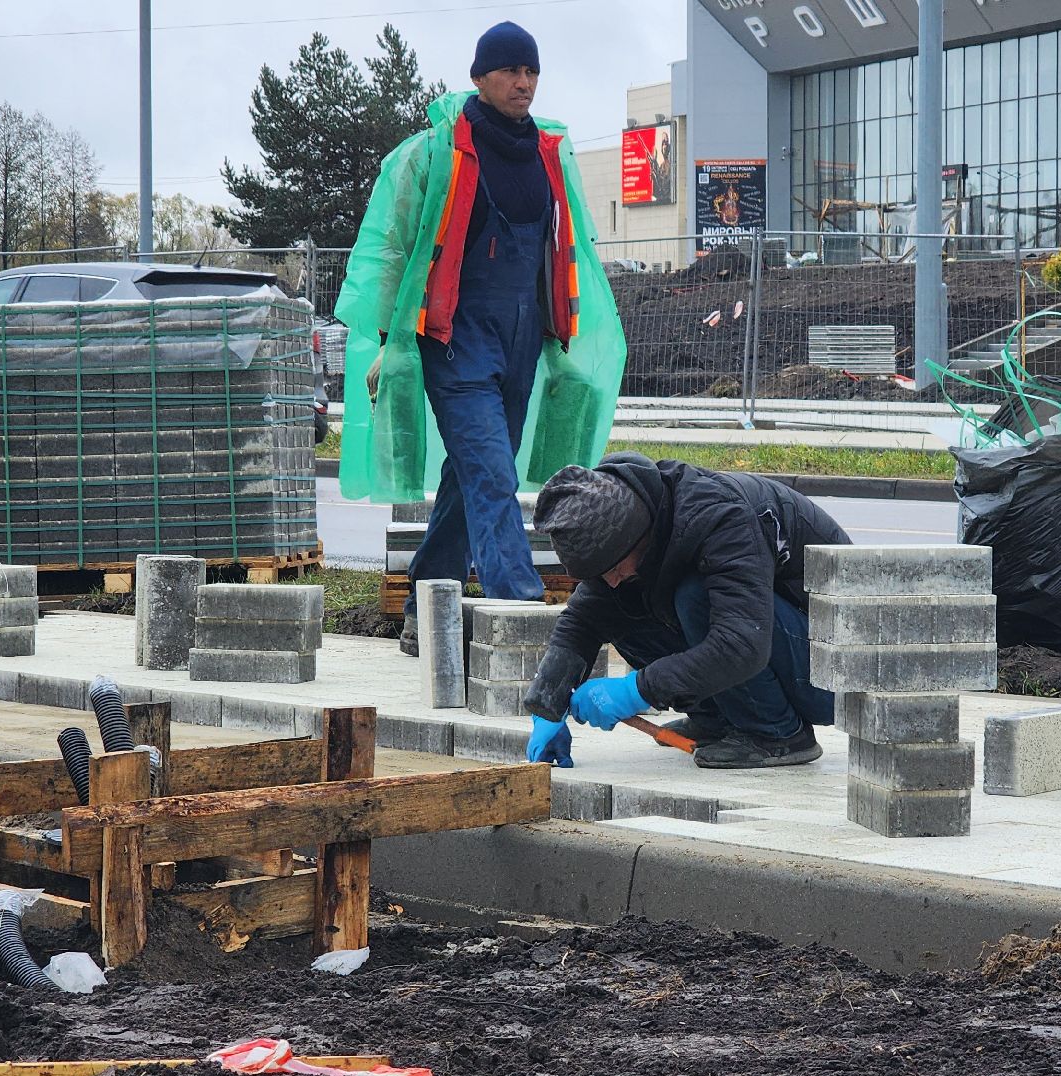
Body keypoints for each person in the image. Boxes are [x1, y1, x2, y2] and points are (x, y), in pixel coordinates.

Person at [342, 21, 598, 656]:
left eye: (532, 71)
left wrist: (568, 337)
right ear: (480, 77)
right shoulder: (434, 154)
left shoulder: (549, 154)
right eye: (511, 70)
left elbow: (571, 252)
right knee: (491, 473)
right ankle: (521, 617)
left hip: (519, 339)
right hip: (453, 337)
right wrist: (387, 341)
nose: (524, 81)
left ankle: (427, 597)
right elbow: (396, 254)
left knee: (478, 470)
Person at [520, 453, 852, 770]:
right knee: (618, 606)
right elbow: (582, 622)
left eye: (614, 566)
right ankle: (719, 720)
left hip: (835, 672)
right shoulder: (631, 522)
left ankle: (777, 733)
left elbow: (742, 645)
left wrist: (636, 690)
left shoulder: (720, 518)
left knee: (696, 596)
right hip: (778, 646)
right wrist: (547, 703)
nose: (612, 578)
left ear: (640, 537)